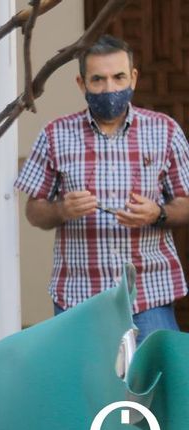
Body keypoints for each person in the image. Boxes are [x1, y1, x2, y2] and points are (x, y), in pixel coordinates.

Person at [15, 35, 189, 344]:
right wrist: (61, 210)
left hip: (150, 293)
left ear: (133, 77)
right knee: (87, 390)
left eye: (118, 77)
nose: (110, 89)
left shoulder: (165, 131)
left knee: (156, 388)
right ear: (81, 84)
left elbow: (186, 203)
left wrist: (157, 212)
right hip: (79, 297)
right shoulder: (55, 134)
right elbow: (33, 211)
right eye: (98, 80)